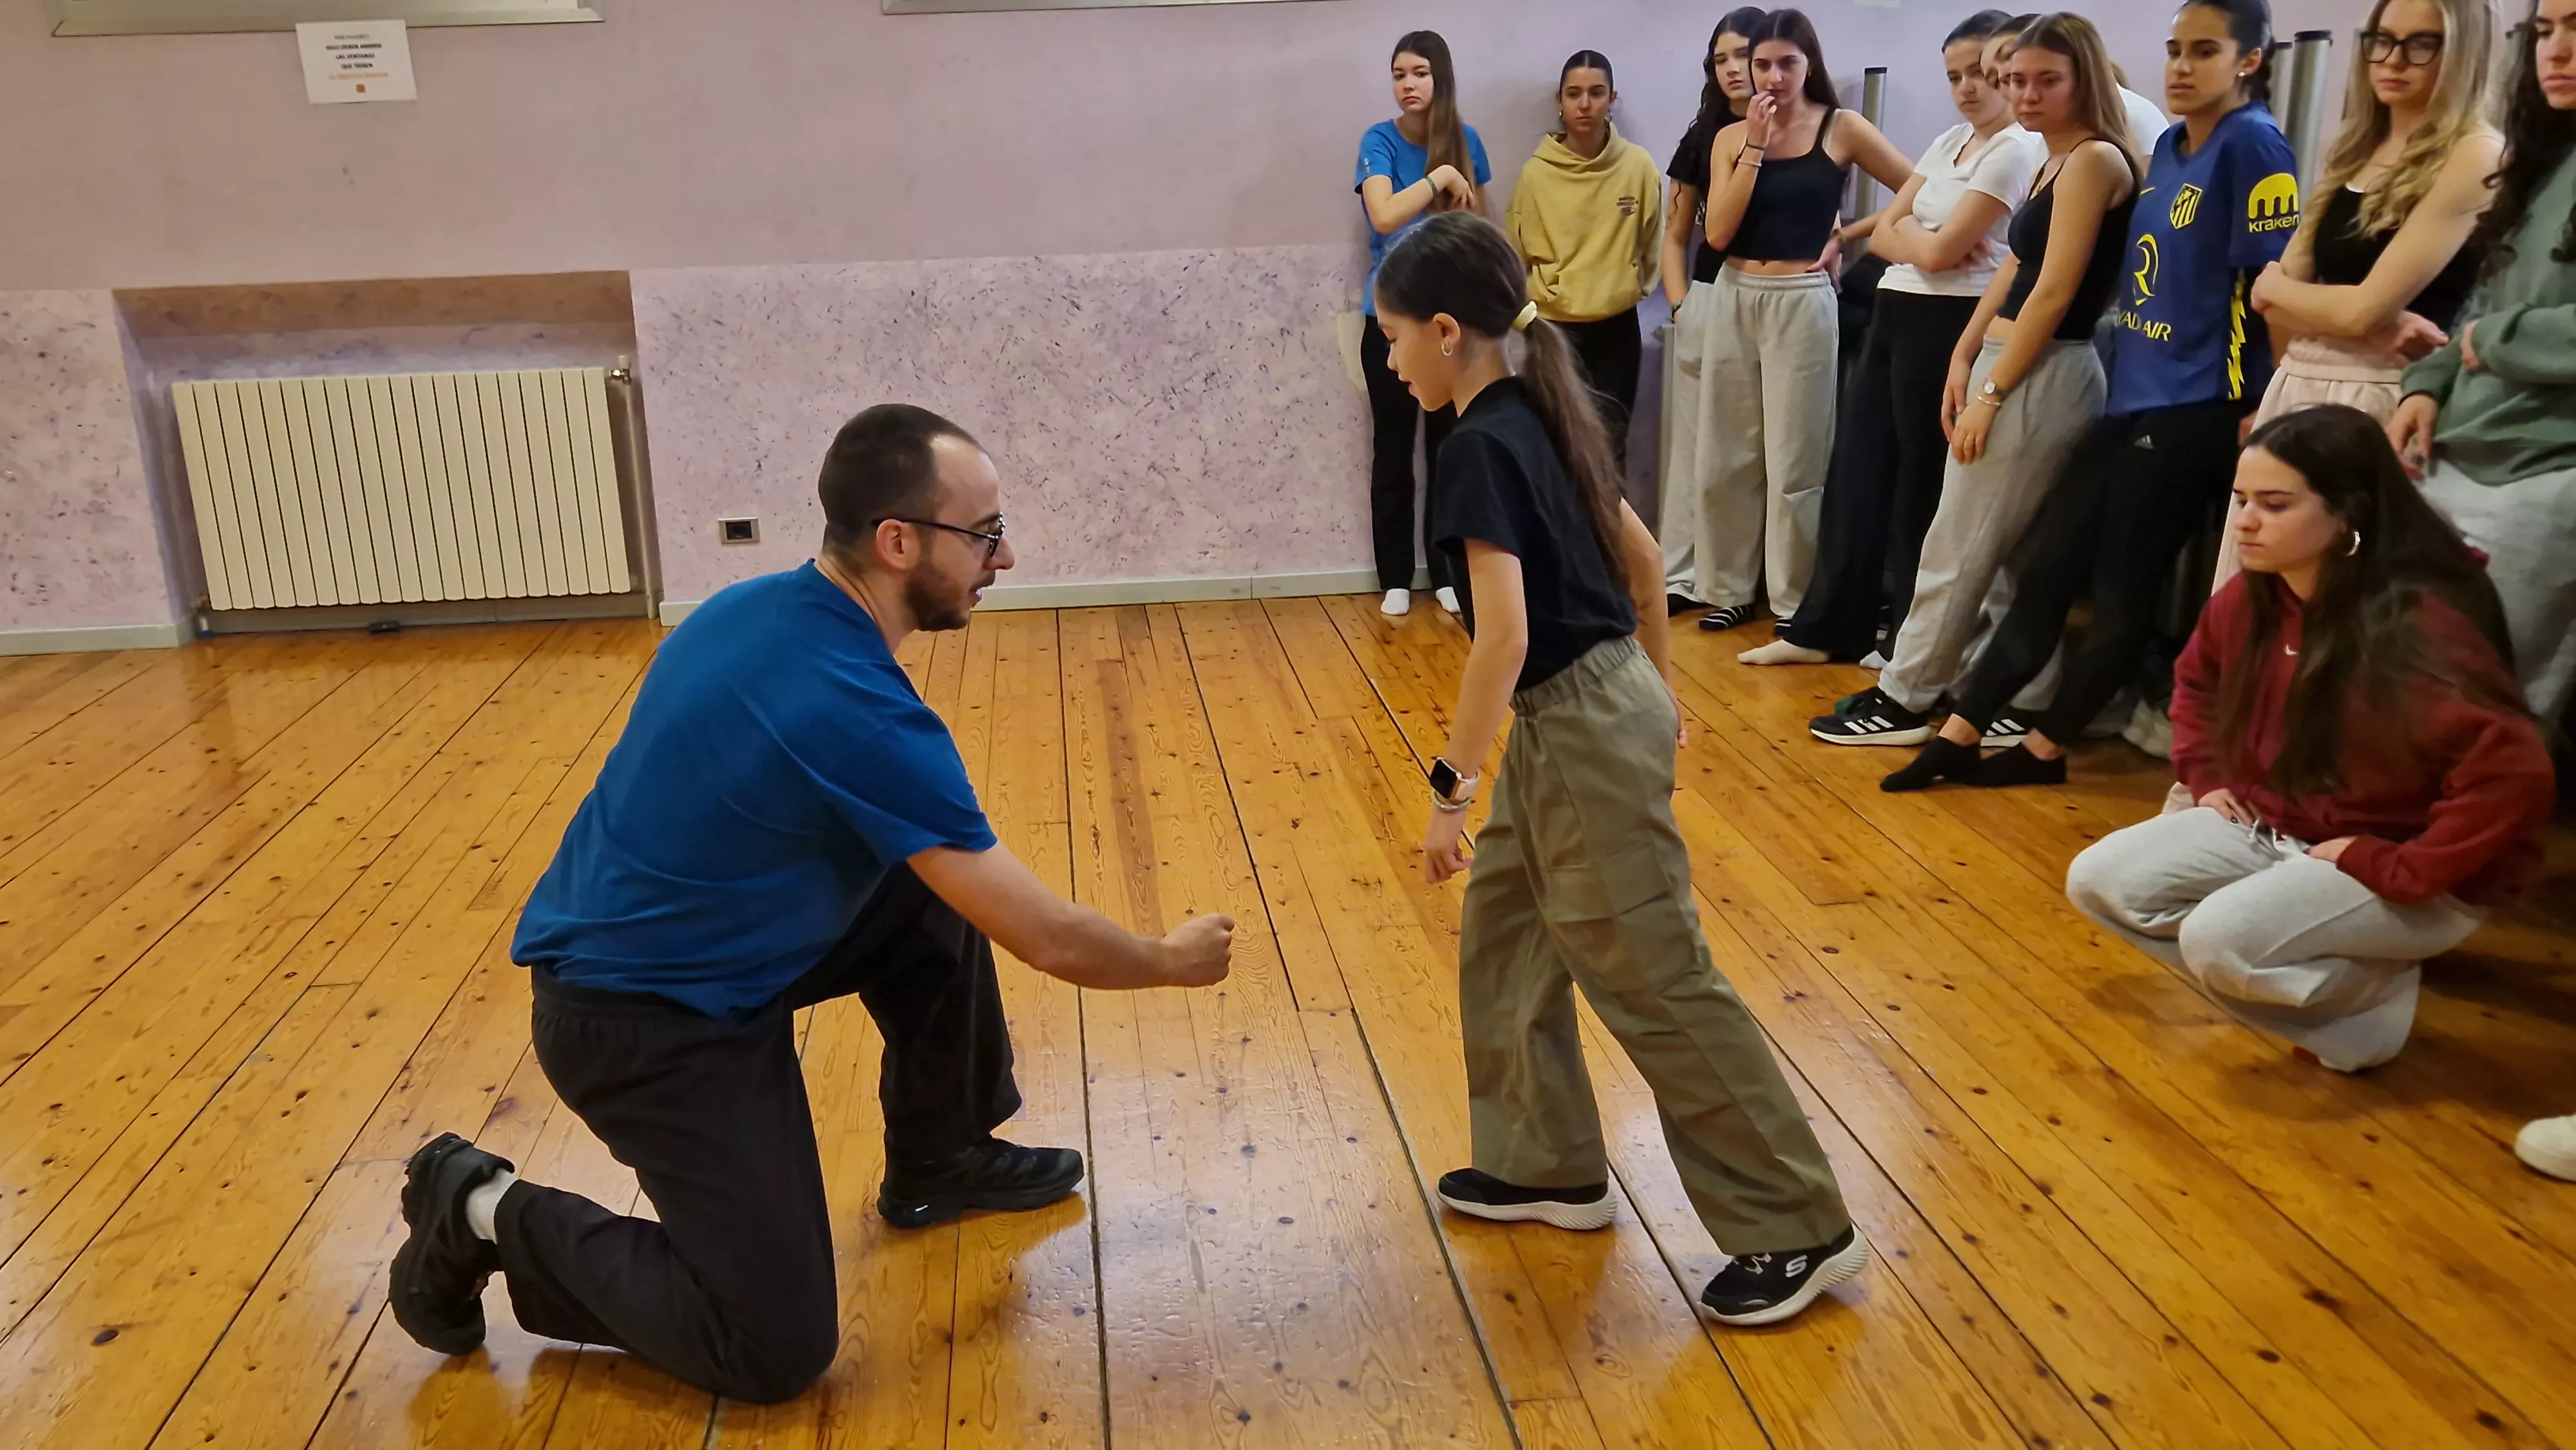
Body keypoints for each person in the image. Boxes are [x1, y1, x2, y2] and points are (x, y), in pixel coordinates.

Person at [384, 406, 1237, 1403]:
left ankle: (943, 1157)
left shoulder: (748, 608)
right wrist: (1170, 960)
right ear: (898, 541)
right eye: (985, 534)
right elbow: (1048, 937)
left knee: (931, 889)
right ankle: (477, 1207)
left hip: (696, 952)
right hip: (642, 1024)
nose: (1004, 558)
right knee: (770, 1346)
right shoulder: (850, 709)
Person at [1378, 212, 1866, 1326]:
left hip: (1580, 725)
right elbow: (1643, 562)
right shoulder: (1536, 407)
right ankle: (1544, 1164)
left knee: (1655, 979)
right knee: (1508, 934)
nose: (1392, 359)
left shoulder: (1475, 447)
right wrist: (1655, 688)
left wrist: (1451, 790)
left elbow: (1502, 640)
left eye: (1395, 336)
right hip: (1592, 710)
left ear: (1447, 332)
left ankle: (1798, 1224)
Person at [1876, 0, 2303, 787]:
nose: (2180, 66)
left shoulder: (2253, 144)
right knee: (2049, 569)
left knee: (2122, 584)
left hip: (2198, 402)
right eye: (2174, 49)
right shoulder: (2168, 147)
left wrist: (2261, 403)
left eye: (2203, 51)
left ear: (2249, 60)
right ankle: (1962, 732)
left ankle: (2043, 747)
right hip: (2131, 388)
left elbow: (2268, 285)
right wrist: (1970, 353)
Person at [2067, 406, 2552, 1072]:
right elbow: (2197, 684)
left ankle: (2361, 998)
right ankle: (2352, 990)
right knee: (2099, 882)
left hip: (2406, 865)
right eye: (2241, 499)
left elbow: (2516, 775)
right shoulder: (2253, 597)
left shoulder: (2420, 629)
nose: (2245, 521)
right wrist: (2208, 776)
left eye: (2274, 504)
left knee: (2219, 942)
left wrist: (2397, 866)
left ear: (2347, 516)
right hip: (2285, 828)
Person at [1808, 12, 2139, 746]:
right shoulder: (2054, 157)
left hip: (2043, 369)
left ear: (2083, 78)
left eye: (2045, 81)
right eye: (2014, 80)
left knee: (1958, 542)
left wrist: (1991, 391)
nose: (2024, 94)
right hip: (2010, 361)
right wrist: (1964, 355)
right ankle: (2017, 693)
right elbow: (2015, 266)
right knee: (2009, 549)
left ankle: (1905, 696)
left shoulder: (2094, 159)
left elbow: (2053, 293)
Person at [1746, 10, 2040, 668]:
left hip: (1950, 321)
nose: (1966, 88)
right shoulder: (1950, 141)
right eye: (1954, 76)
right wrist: (1913, 239)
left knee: (1919, 482)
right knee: (1858, 470)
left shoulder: (2016, 148)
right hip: (1895, 308)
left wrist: (1915, 240)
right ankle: (1828, 628)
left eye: (1980, 73)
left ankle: (1905, 635)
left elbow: (1940, 253)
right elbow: (1889, 234)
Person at [1683, 8, 1915, 635]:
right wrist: (1756, 144)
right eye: (1762, 64)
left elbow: (1922, 186)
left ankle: (1792, 598)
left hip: (1802, 297)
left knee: (1797, 457)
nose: (1774, 77)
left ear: (1809, 64)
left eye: (1787, 63)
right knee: (1726, 452)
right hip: (1735, 292)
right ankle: (1728, 587)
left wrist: (1849, 234)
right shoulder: (1731, 138)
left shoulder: (1842, 127)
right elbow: (1720, 231)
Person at [2388, 0, 2576, 723]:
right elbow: (2482, 297)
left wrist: (2500, 340)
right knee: (2395, 685)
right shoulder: (2544, 154)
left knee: (2483, 712)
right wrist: (2427, 385)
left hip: (2545, 474)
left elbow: (2490, 325)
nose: (2556, 51)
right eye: (2545, 31)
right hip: (2449, 451)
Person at [2245, 0, 2497, 426]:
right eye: (2382, 41)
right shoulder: (2356, 150)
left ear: (2463, 52)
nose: (2394, 60)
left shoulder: (2475, 154)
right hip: (2304, 382)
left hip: (2393, 393)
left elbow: (2357, 310)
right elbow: (2271, 304)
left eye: (2421, 44)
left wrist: (2286, 291)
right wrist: (2375, 325)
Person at [1358, 30, 1493, 619]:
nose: (1407, 85)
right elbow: (1384, 214)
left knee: (1449, 449)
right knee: (1393, 450)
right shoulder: (1379, 140)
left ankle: (1445, 571)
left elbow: (1478, 229)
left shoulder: (1467, 140)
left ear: (1441, 78)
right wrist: (1438, 179)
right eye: (1398, 74)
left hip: (1448, 327)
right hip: (1389, 322)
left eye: (1419, 73)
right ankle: (1394, 576)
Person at [1508, 50, 1665, 473]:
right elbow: (1515, 256)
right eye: (1574, 94)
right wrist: (1531, 317)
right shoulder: (1536, 175)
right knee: (1555, 448)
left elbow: (1653, 242)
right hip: (1554, 331)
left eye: (1596, 93)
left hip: (1618, 330)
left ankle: (1609, 523)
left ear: (1612, 99)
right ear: (1559, 101)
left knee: (1610, 453)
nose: (1584, 104)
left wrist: (1626, 286)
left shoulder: (1638, 167)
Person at [1660, 9, 1766, 616]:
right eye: (1721, 59)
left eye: (1743, 55)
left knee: (1748, 452)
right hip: (1709, 294)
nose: (1733, 69)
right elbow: (1676, 236)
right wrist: (1681, 306)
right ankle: (1680, 577)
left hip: (1776, 297)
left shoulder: (1799, 130)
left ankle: (1738, 583)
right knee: (1693, 447)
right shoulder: (1703, 136)